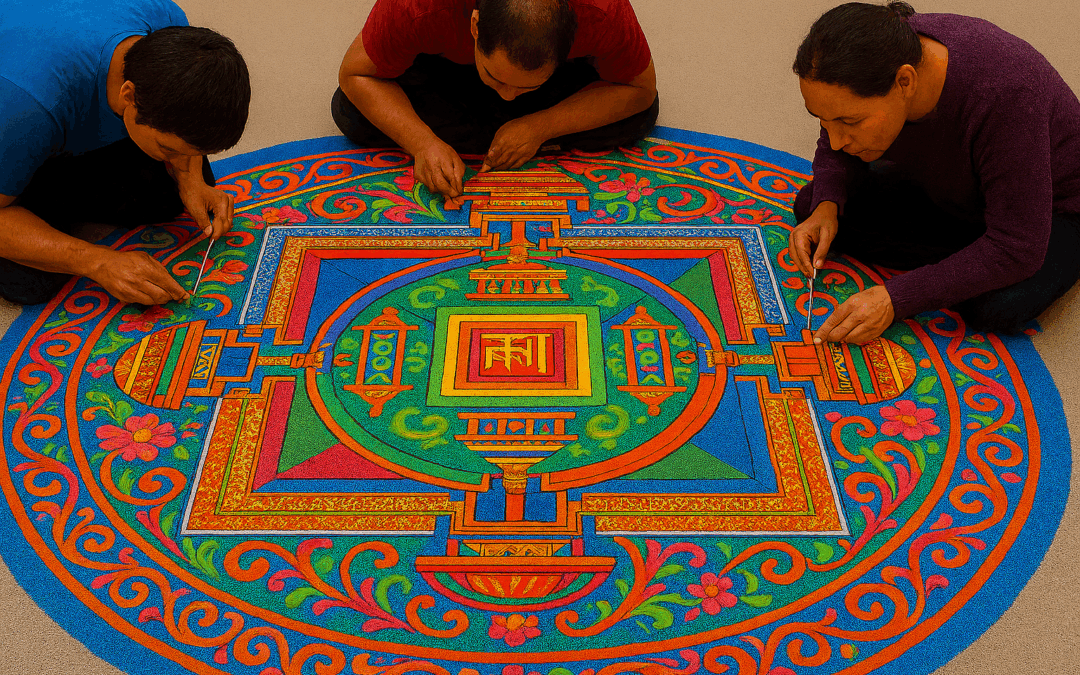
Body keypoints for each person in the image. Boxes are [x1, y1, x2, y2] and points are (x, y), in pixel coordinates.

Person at [788, 1, 1080, 343]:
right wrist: (826, 205)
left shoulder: (1006, 93)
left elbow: (1020, 246)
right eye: (825, 121)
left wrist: (896, 298)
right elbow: (834, 136)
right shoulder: (879, 56)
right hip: (960, 189)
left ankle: (984, 254)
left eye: (850, 122)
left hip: (1053, 209)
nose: (836, 141)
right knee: (816, 206)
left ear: (905, 81)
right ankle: (977, 256)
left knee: (996, 305)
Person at [0, 0, 251, 306]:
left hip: (53, 109)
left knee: (169, 197)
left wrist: (191, 179)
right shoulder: (28, 107)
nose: (179, 159)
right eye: (168, 149)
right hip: (21, 111)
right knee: (29, 281)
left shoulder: (169, 26)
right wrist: (98, 261)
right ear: (128, 94)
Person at [334, 0, 659, 201]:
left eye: (524, 87)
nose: (507, 97)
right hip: (451, 70)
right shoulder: (420, 6)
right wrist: (422, 143)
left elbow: (639, 90)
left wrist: (540, 126)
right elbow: (357, 75)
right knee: (352, 113)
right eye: (496, 79)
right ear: (475, 25)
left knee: (638, 117)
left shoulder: (601, 12)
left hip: (545, 92)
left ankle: (513, 104)